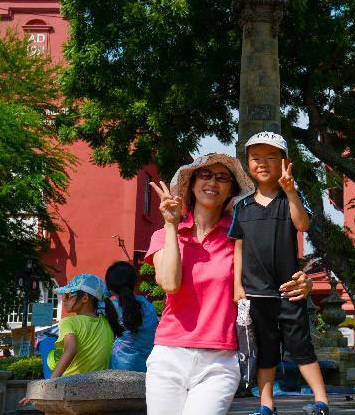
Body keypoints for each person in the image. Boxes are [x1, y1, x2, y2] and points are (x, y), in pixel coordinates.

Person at [144, 153, 313, 415]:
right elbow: (170, 284)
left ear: (231, 191)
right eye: (206, 175)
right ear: (191, 184)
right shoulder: (164, 234)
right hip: (169, 354)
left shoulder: (239, 237)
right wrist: (170, 225)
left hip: (220, 360)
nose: (213, 182)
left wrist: (304, 282)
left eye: (222, 178)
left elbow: (274, 271)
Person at [230, 132, 328, 415]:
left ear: (285, 162)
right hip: (255, 293)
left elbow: (303, 225)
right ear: (248, 163)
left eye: (271, 157)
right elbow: (238, 247)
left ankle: (321, 400)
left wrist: (291, 191)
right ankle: (266, 404)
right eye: (256, 158)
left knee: (301, 346)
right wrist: (237, 285)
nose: (263, 163)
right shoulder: (242, 206)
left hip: (289, 290)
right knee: (266, 350)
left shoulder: (290, 199)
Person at [20, 273, 122, 407]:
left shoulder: (69, 322)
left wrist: (46, 387)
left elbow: (71, 349)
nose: (65, 299)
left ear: (84, 298)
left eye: (68, 295)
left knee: (46, 343)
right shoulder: (107, 323)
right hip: (95, 391)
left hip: (70, 388)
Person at [106, 261, 159, 372]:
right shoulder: (148, 306)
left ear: (111, 290)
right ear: (135, 282)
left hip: (118, 367)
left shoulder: (111, 307)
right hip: (146, 368)